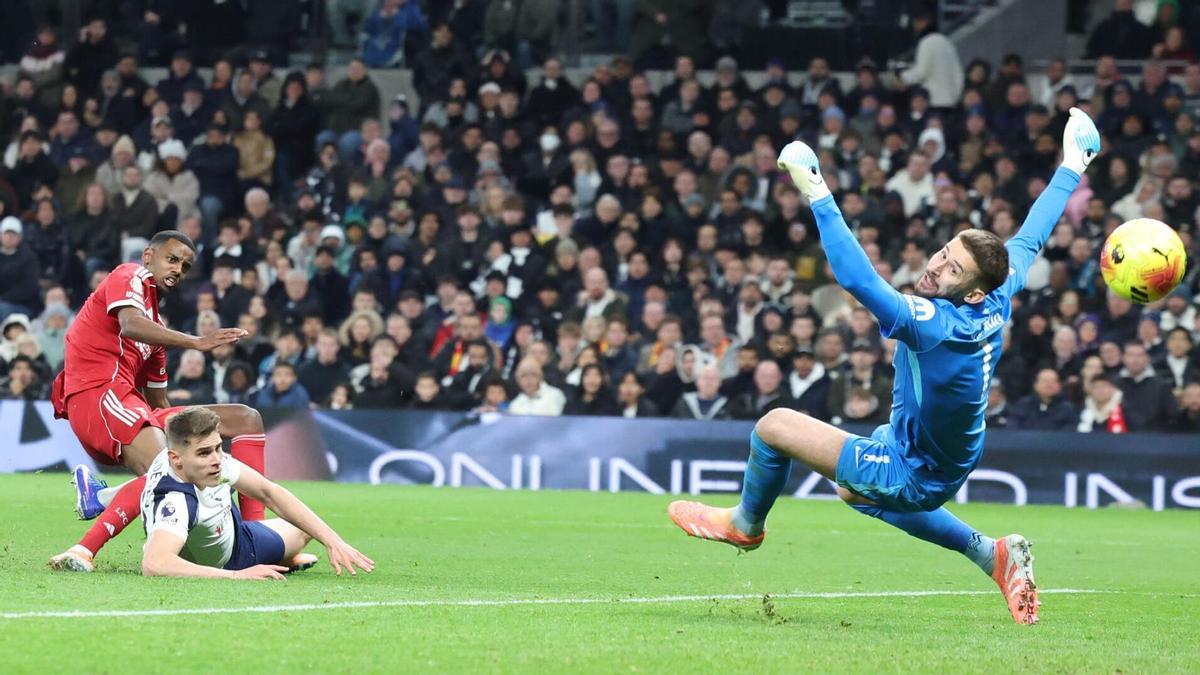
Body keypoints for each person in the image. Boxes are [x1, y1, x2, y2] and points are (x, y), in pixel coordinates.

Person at [668, 108, 1101, 626]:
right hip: (939, 452)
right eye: (943, 253)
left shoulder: (934, 324)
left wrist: (816, 190)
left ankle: (745, 525)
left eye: (952, 268)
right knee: (850, 490)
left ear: (974, 288)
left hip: (917, 467)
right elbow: (1031, 236)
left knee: (774, 427)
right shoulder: (997, 293)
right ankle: (991, 554)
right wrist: (1073, 163)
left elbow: (859, 282)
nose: (936, 267)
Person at [46, 232, 268, 573]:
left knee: (245, 418)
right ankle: (83, 550)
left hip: (128, 405)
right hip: (96, 395)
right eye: (173, 259)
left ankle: (257, 534)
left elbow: (159, 403)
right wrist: (196, 342)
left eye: (185, 266)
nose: (178, 269)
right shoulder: (129, 275)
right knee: (169, 465)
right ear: (149, 255)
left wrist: (186, 437)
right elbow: (130, 325)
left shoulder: (156, 331)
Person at [140, 407, 374, 579]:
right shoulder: (177, 502)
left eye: (219, 447)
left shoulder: (205, 462)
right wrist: (238, 576)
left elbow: (269, 493)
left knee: (307, 528)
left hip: (233, 527)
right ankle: (276, 559)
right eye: (204, 453)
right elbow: (154, 563)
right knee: (301, 532)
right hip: (235, 557)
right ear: (176, 459)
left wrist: (334, 542)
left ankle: (284, 558)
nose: (216, 459)